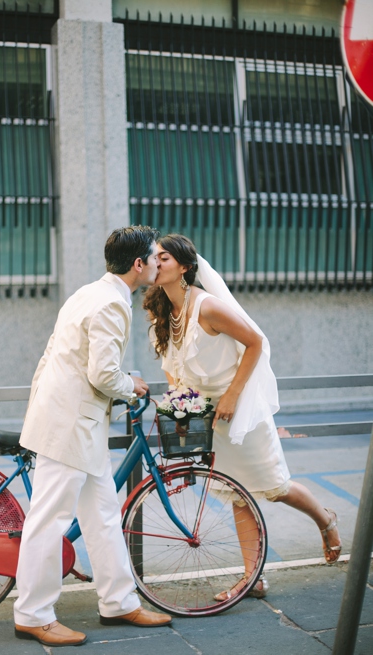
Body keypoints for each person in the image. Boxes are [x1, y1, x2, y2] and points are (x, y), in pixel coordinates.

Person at [143, 234, 341, 601]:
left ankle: (325, 520)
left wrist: (233, 395)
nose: (156, 263)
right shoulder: (164, 312)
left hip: (241, 410)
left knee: (275, 487)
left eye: (164, 258)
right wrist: (180, 406)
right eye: (154, 258)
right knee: (235, 495)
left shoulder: (208, 307)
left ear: (185, 267)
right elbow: (175, 370)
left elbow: (255, 342)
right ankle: (253, 579)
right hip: (210, 417)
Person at [13, 226, 172, 648]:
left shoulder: (89, 293)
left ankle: (119, 603)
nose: (158, 262)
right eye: (154, 257)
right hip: (70, 427)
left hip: (76, 424)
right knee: (49, 522)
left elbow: (52, 356)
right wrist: (133, 385)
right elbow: (102, 374)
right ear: (138, 265)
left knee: (102, 515)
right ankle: (32, 614)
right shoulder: (110, 305)